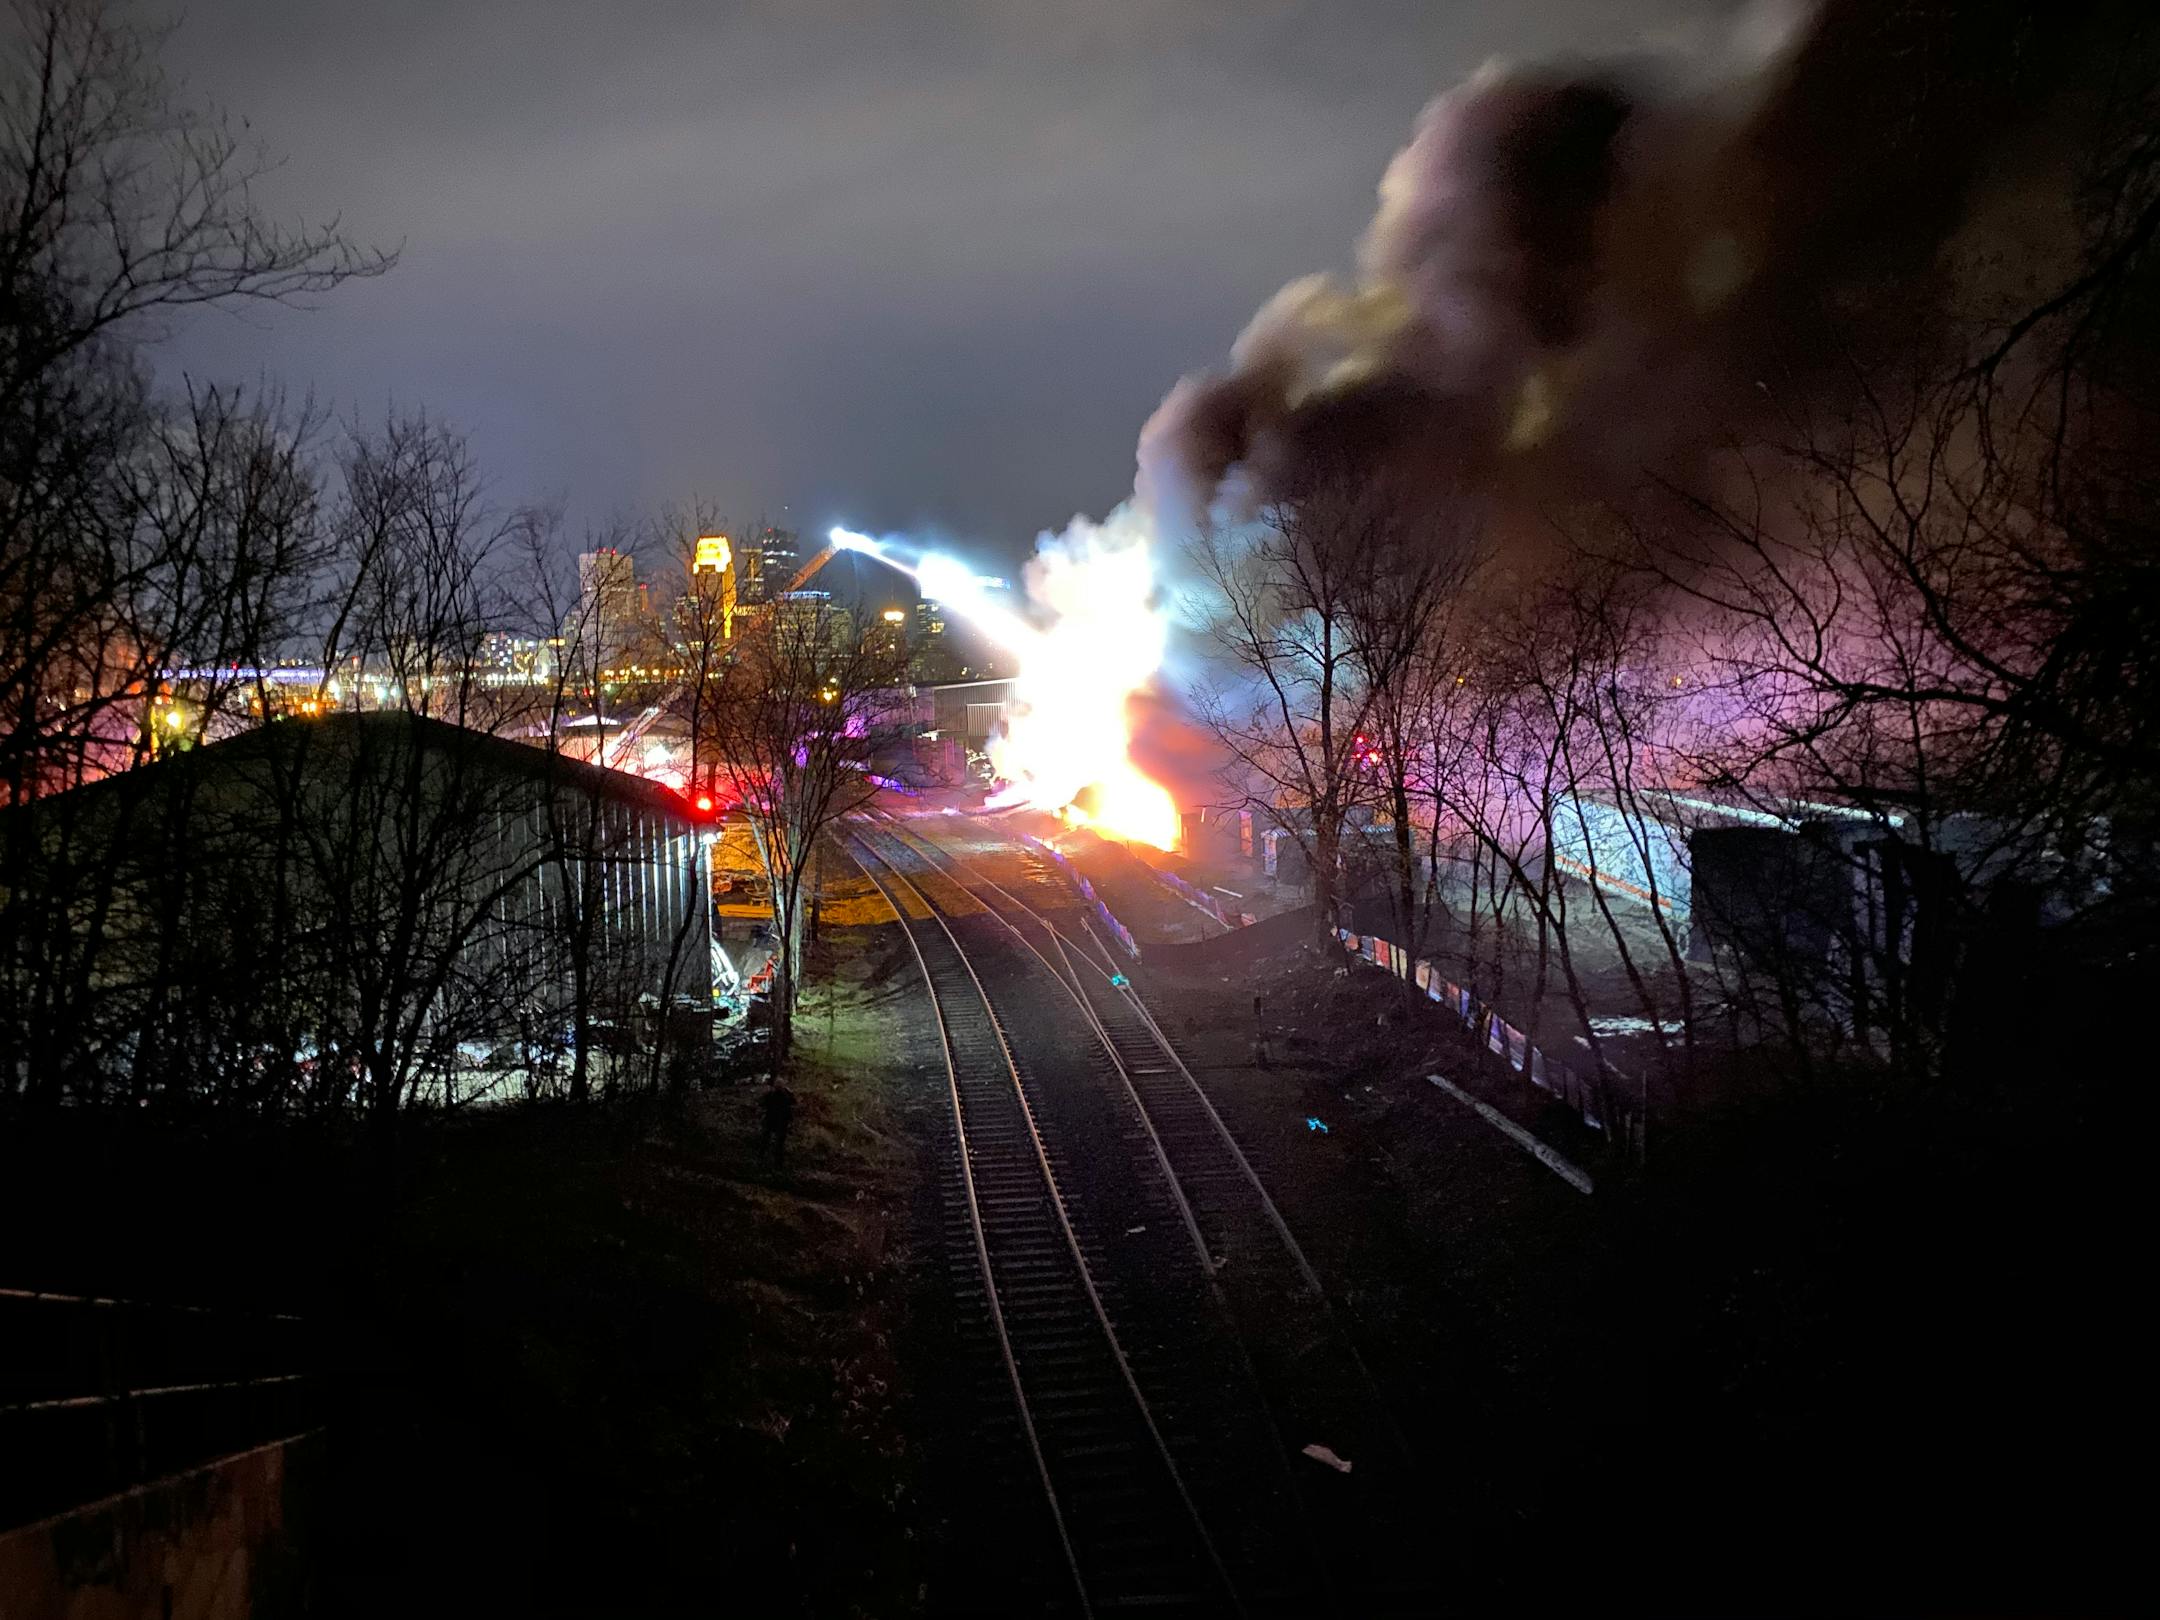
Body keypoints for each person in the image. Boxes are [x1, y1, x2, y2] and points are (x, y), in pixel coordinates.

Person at [758, 1077, 797, 1167]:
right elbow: (794, 1103)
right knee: (776, 1143)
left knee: (768, 1141)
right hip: (779, 1121)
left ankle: (764, 1159)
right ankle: (776, 1163)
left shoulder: (771, 1094)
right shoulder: (785, 1095)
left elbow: (761, 1103)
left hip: (773, 1120)